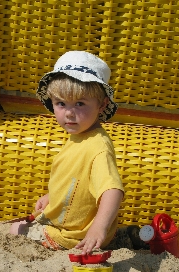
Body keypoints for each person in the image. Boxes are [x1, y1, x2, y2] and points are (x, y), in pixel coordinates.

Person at [10, 51, 125, 255]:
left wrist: (99, 228)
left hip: (75, 236)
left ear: (102, 104)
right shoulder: (80, 135)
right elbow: (75, 179)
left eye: (80, 103)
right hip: (73, 223)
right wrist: (52, 197)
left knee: (15, 230)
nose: (69, 113)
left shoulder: (98, 147)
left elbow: (112, 190)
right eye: (61, 103)